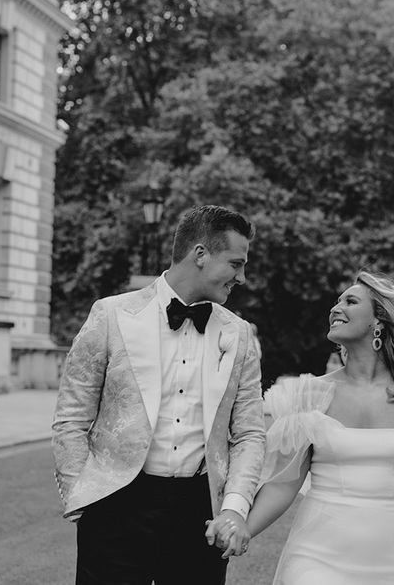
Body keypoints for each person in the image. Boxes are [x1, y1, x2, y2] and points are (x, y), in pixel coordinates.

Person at [227, 271, 394, 585]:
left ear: (378, 319)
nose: (335, 308)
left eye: (350, 301)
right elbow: (283, 483)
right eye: (337, 301)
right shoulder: (308, 396)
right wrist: (244, 527)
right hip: (318, 552)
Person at [52, 205, 265, 585]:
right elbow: (72, 416)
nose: (242, 277)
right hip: (117, 504)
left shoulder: (238, 334)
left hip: (200, 513)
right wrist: (84, 495)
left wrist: (233, 508)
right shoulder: (111, 315)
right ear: (200, 254)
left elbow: (249, 432)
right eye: (236, 263)